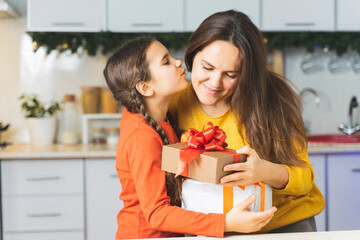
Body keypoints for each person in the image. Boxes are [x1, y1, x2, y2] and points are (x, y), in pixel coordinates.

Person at [103, 37, 277, 239]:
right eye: (166, 61)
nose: (178, 62)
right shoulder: (142, 136)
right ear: (145, 88)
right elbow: (156, 214)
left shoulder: (152, 118)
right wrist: (226, 223)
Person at [169, 10, 325, 233]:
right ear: (192, 56)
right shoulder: (175, 101)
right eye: (207, 67)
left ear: (247, 74)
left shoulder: (273, 100)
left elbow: (304, 180)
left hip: (282, 223)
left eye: (230, 74)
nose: (214, 83)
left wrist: (263, 171)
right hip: (215, 226)